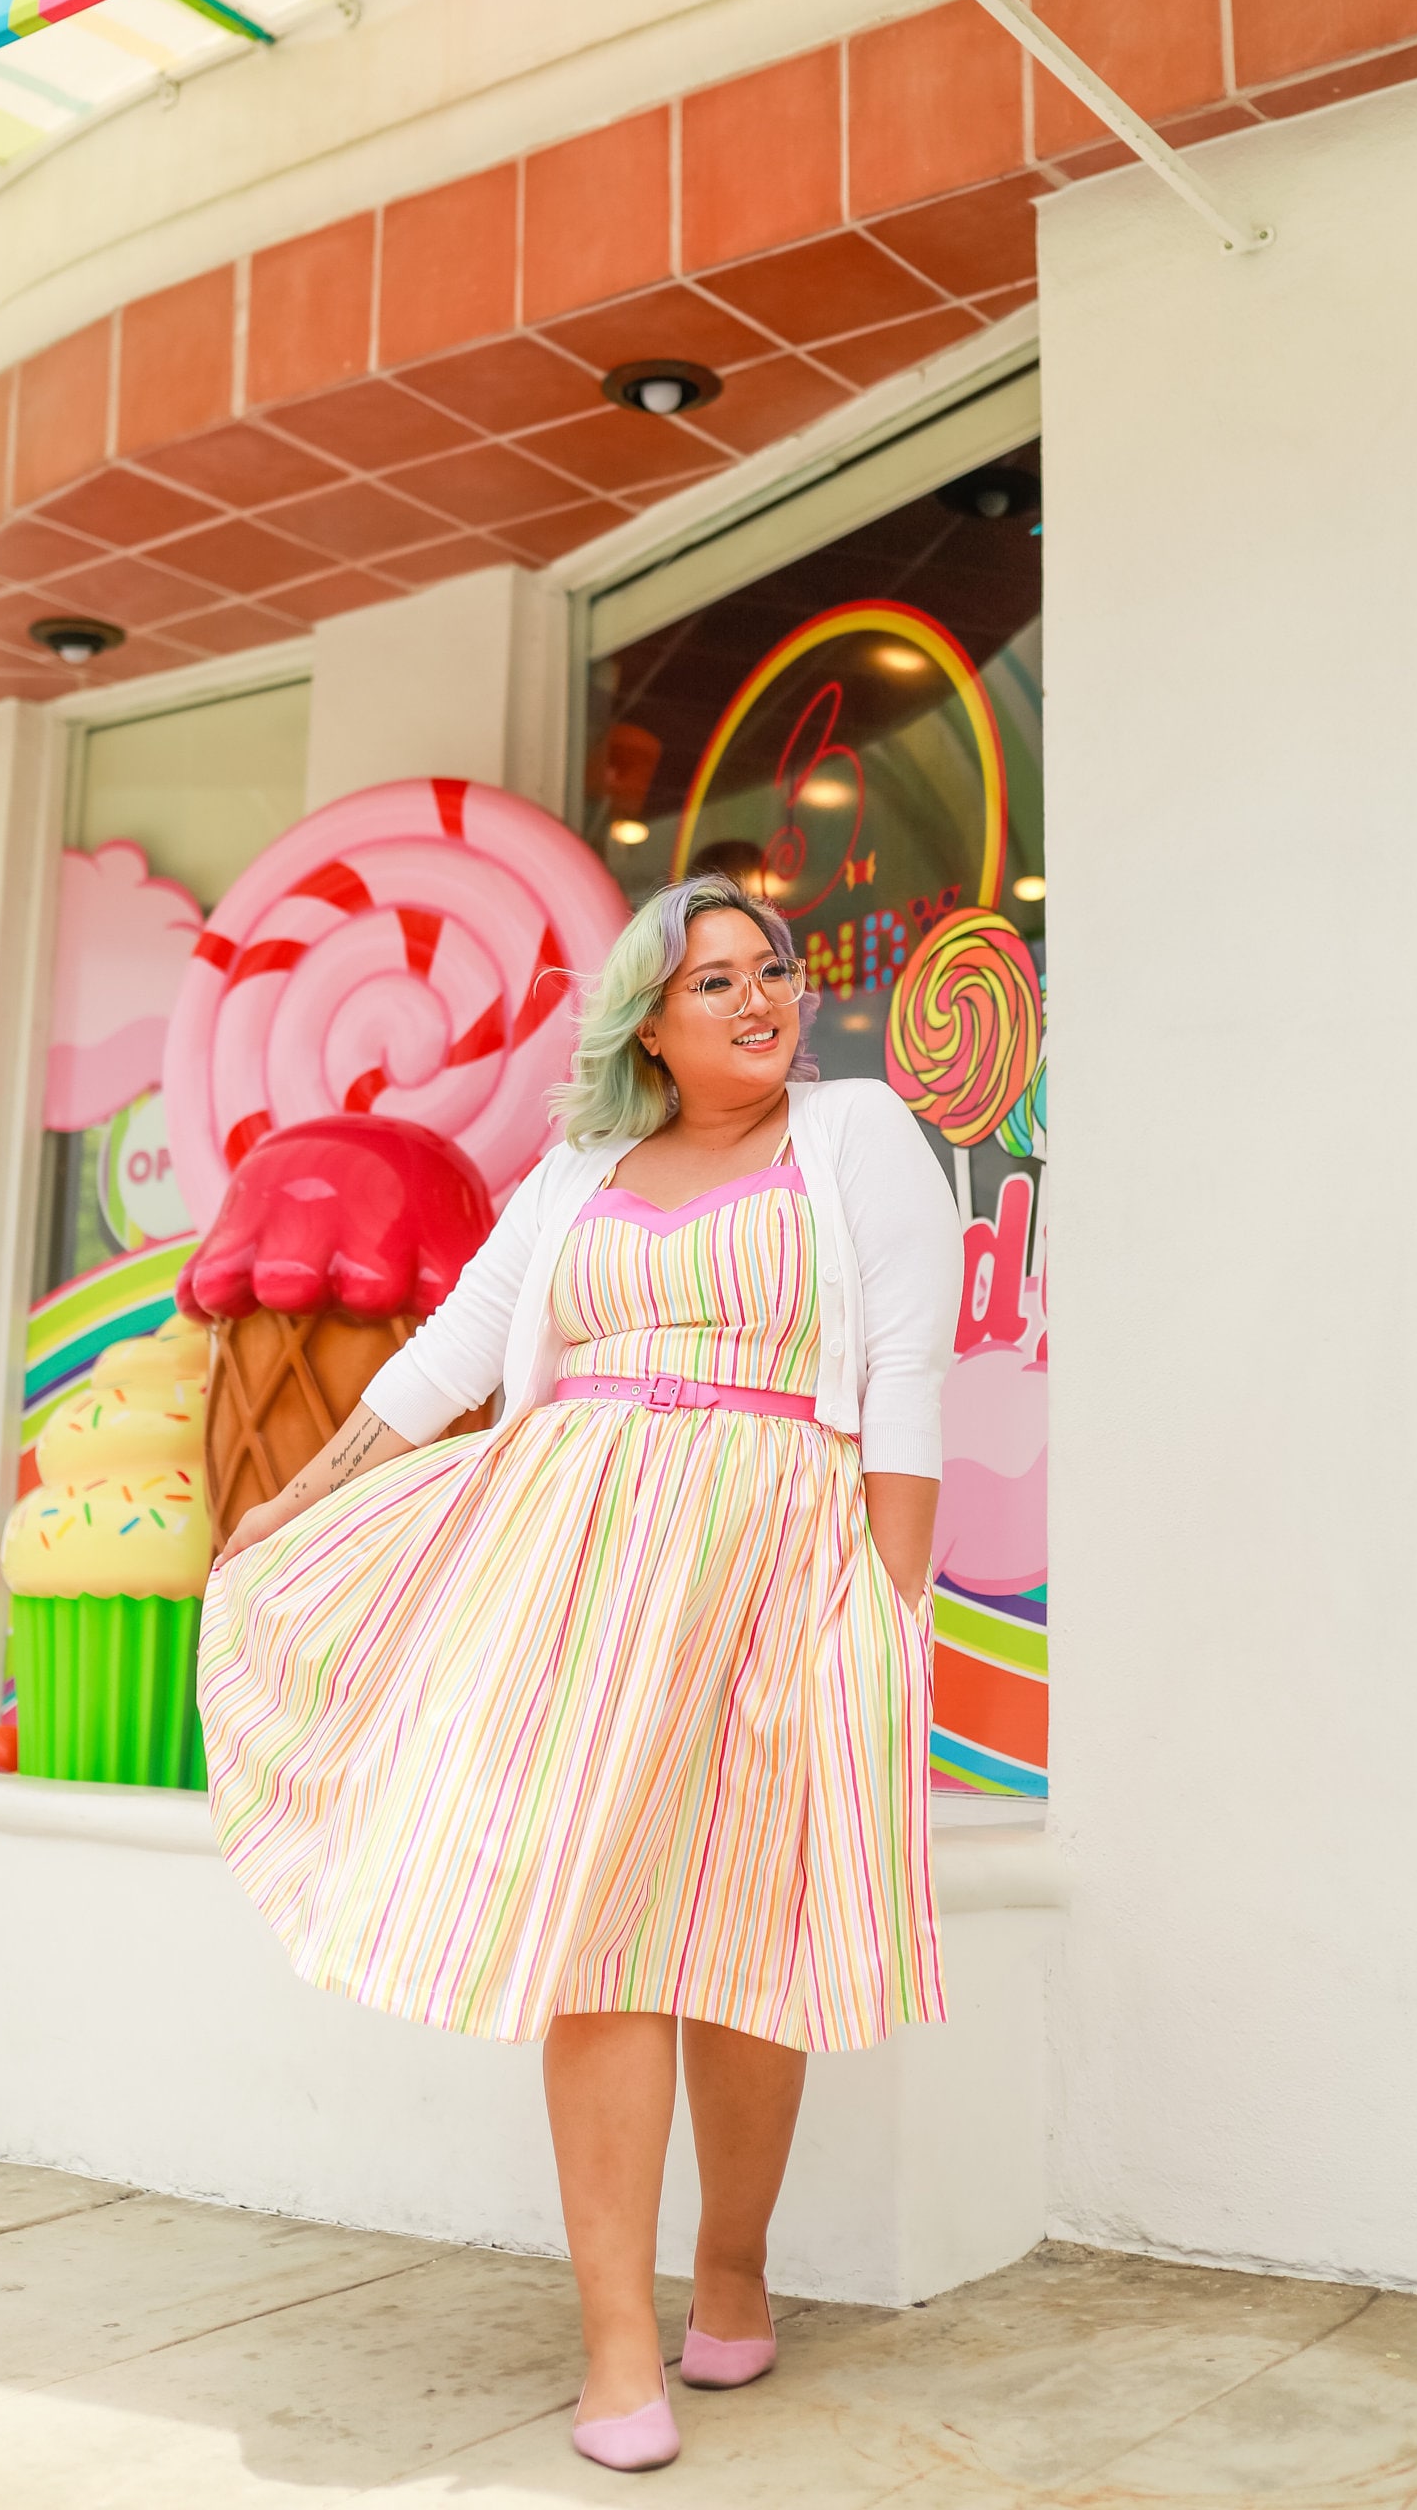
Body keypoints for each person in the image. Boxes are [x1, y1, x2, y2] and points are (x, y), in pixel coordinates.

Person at [199, 874, 964, 2473]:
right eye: (717, 982)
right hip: (577, 1565)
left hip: (781, 1551)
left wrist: (896, 1605)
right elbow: (448, 1366)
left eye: (774, 969)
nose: (760, 999)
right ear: (651, 1024)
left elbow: (903, 1361)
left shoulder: (861, 1133)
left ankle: (735, 2265)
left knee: (750, 1936)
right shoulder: (575, 1171)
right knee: (599, 1935)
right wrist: (297, 1497)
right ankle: (620, 2340)